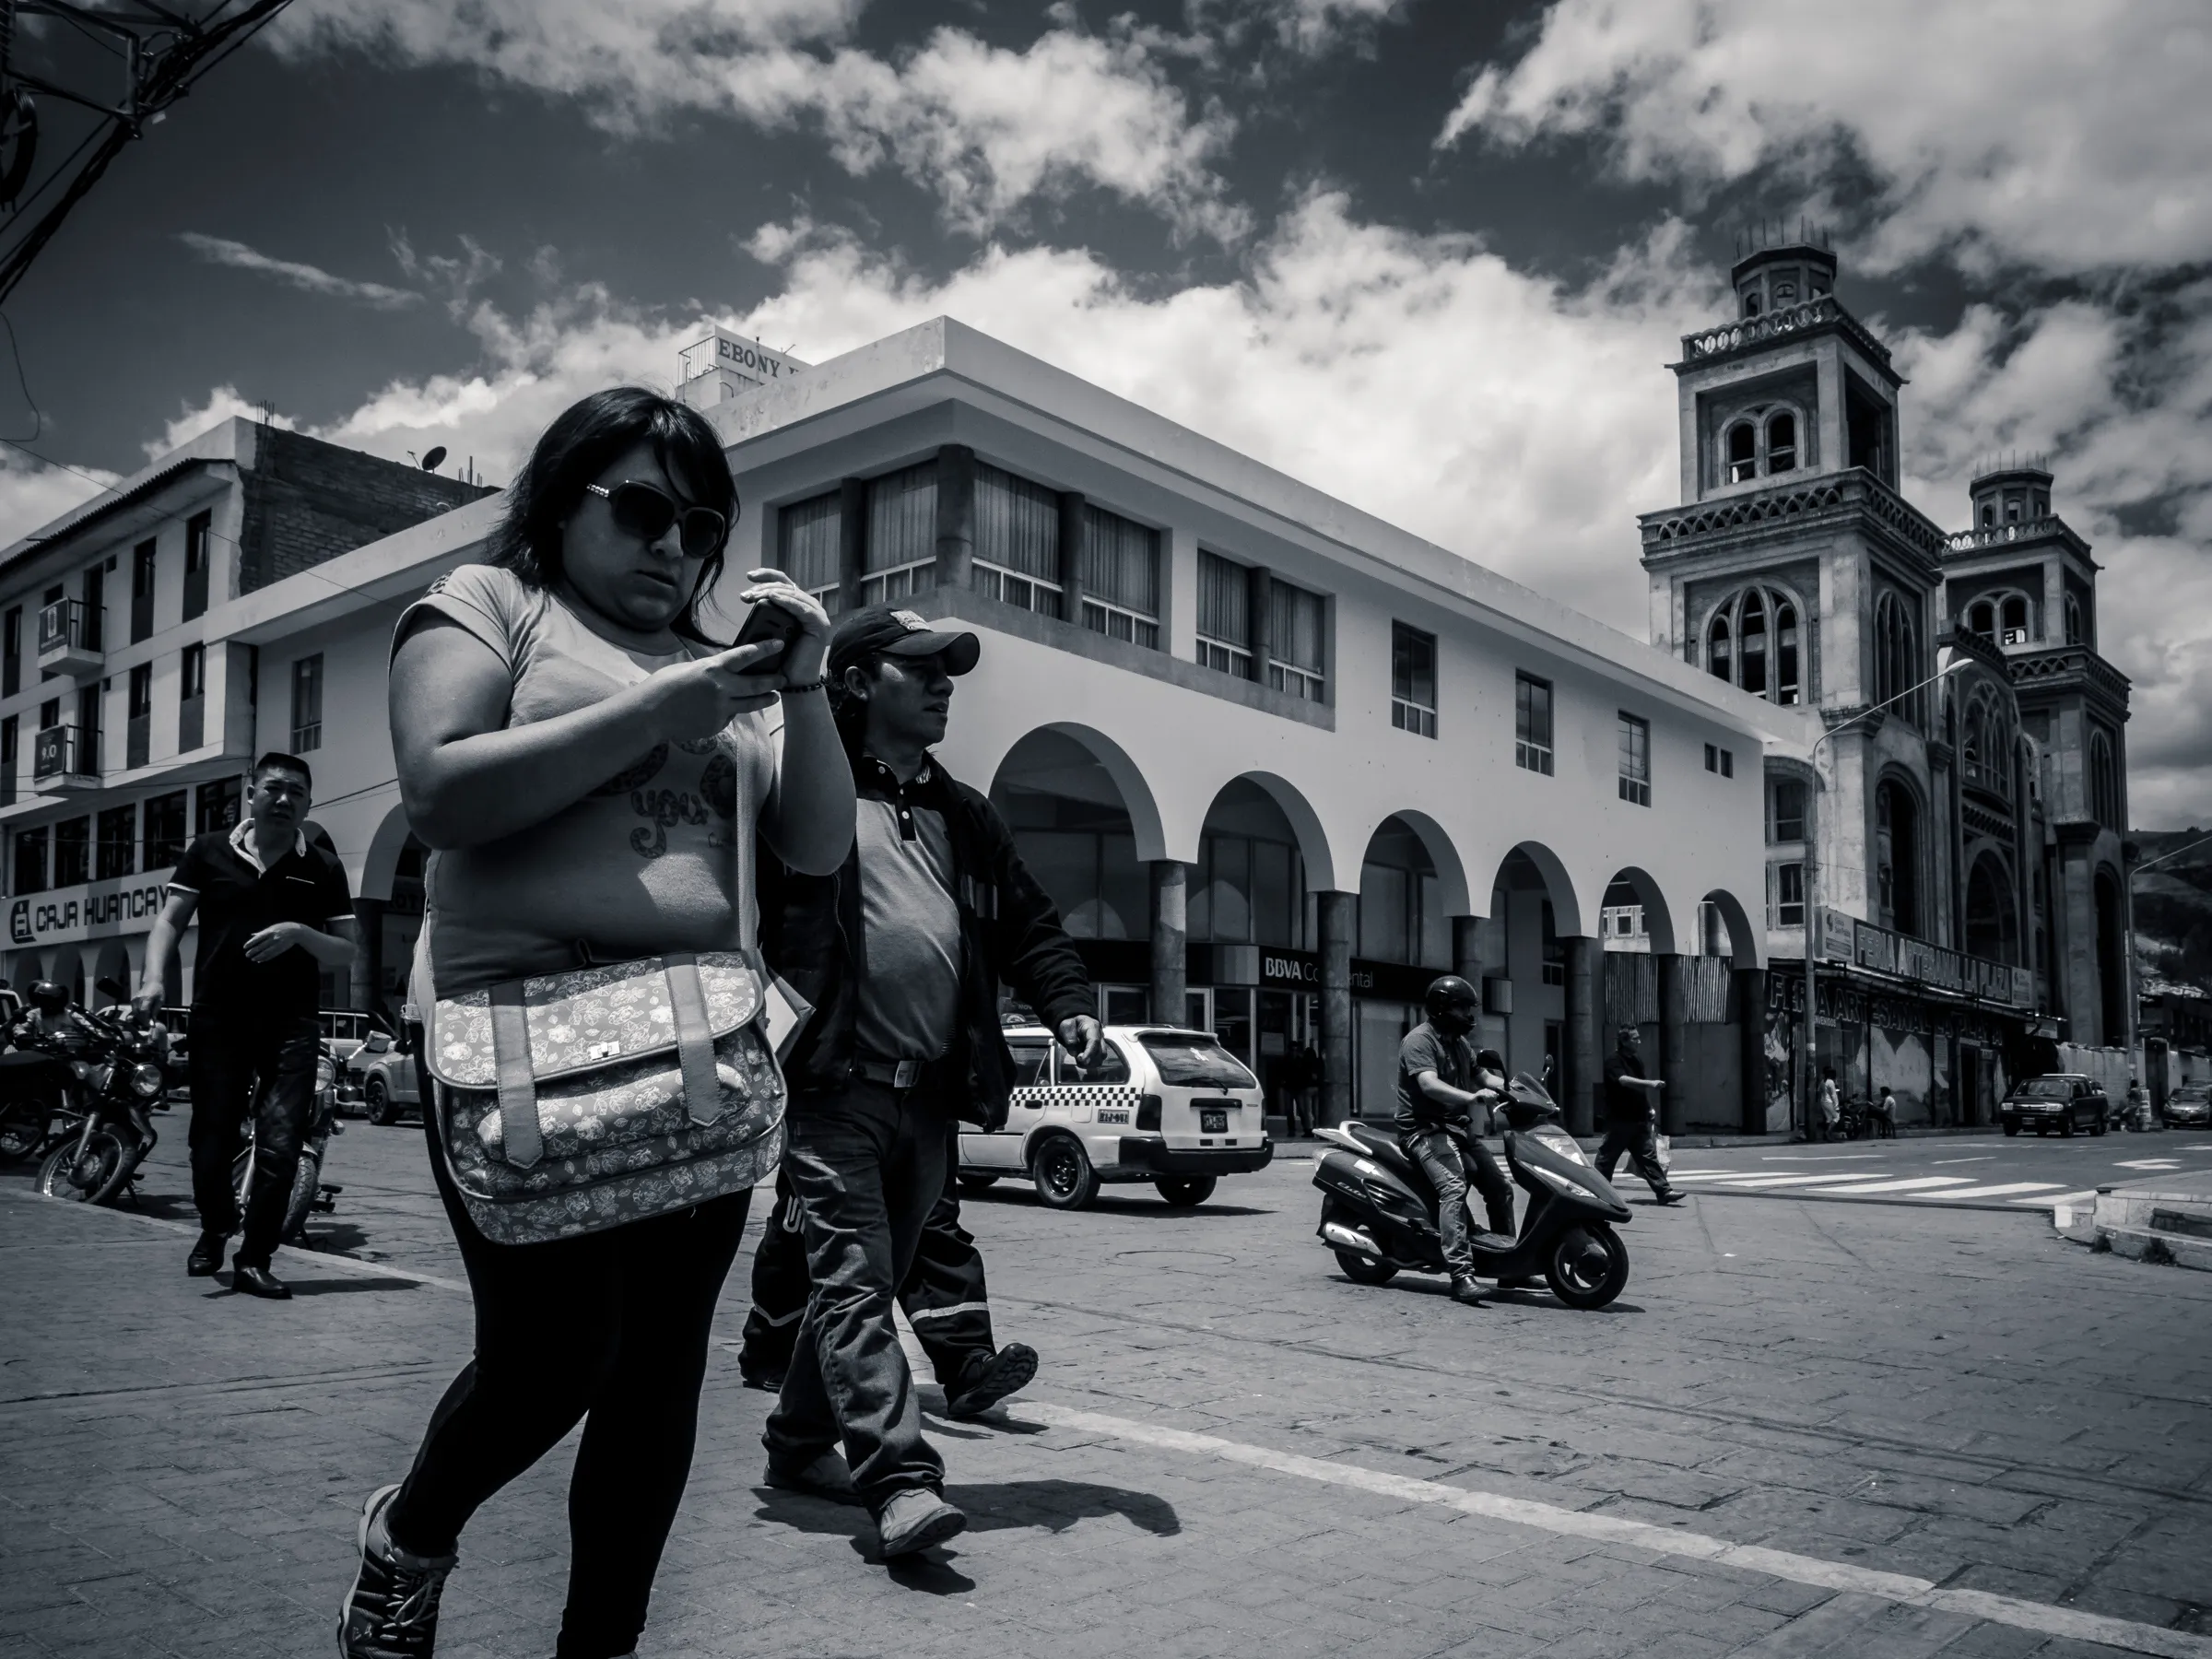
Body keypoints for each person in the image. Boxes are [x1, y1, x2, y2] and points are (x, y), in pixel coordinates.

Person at [336, 387, 854, 1659]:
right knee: (549, 1362)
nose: (673, 546)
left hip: (691, 1048)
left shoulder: (714, 669)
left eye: (700, 525)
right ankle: (410, 1535)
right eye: (641, 510)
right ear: (561, 502)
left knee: (658, 1378)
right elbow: (440, 792)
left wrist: (804, 688)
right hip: (518, 1045)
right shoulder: (491, 606)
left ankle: (602, 1645)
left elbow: (817, 840)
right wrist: (649, 714)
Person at [756, 604, 1100, 1559]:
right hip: (834, 1087)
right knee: (857, 1283)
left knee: (872, 1280)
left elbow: (1029, 921)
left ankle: (795, 1442)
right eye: (923, 668)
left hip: (930, 1097)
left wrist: (1066, 1000)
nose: (946, 682)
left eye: (952, 669)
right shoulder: (807, 794)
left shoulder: (962, 811)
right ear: (860, 681)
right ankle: (901, 1481)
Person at [135, 753, 359, 1300]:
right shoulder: (209, 851)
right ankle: (215, 1225)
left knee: (282, 1146)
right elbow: (169, 919)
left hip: (292, 1024)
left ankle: (255, 1258)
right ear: (251, 793)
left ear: (308, 804)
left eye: (297, 794)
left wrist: (298, 932)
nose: (284, 801)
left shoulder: (324, 867)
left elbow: (346, 952)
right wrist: (152, 981)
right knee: (209, 1142)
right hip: (218, 1019)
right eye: (274, 789)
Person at [735, 1153, 1039, 1420]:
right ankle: (771, 1348)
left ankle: (967, 1364)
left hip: (925, 1103)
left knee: (932, 1225)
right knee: (808, 1223)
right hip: (836, 1104)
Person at [1394, 976, 1516, 1307]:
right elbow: (1429, 1085)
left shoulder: (1459, 1043)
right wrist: (1473, 1098)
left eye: (1469, 1008)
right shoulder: (1419, 1041)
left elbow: (1483, 1076)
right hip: (1424, 1130)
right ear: (1442, 1008)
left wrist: (1513, 1089)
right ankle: (1461, 1275)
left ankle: (1510, 1267)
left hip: (1456, 1129)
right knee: (1453, 1187)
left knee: (1500, 1187)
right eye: (1462, 1007)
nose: (1468, 1014)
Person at [1598, 1025, 1680, 1204]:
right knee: (1607, 1159)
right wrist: (1651, 1083)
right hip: (1619, 1119)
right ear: (1624, 1041)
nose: (1639, 1041)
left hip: (1638, 1118)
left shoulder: (1636, 1061)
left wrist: (1648, 1108)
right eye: (1635, 1038)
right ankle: (1597, 1191)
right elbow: (1623, 1080)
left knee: (1648, 1157)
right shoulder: (1614, 1061)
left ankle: (1664, 1191)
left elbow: (1640, 1091)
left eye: (1638, 1038)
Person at [1818, 1066, 1841, 1143]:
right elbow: (1834, 1095)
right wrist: (1836, 1106)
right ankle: (1828, 1132)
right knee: (1837, 1117)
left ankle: (1828, 1136)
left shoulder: (1823, 1081)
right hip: (1829, 1101)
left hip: (1823, 1101)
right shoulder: (1831, 1082)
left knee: (1829, 1118)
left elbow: (1819, 1091)